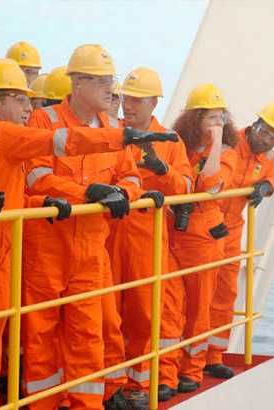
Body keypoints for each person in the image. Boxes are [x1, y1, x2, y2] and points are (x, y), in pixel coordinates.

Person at [0, 58, 177, 410]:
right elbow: (63, 141)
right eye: (19, 99)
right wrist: (123, 136)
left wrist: (41, 201)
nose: (28, 108)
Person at [23, 44, 162, 410]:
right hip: (47, 245)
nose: (110, 89)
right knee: (41, 332)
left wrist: (122, 193)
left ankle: (87, 404)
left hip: (91, 247)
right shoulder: (44, 121)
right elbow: (36, 177)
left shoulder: (114, 128)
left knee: (89, 333)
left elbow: (131, 176)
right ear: (78, 83)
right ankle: (45, 404)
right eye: (102, 81)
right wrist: (88, 193)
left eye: (109, 80)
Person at [107, 67, 193, 403]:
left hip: (147, 237)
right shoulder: (111, 132)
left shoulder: (170, 141)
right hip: (109, 233)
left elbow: (186, 188)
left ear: (154, 103)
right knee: (108, 312)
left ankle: (138, 384)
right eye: (126, 98)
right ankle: (111, 385)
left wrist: (162, 170)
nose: (128, 106)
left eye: (137, 100)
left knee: (144, 312)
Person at [205, 103, 274, 378]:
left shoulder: (267, 156)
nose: (266, 141)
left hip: (231, 231)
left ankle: (213, 356)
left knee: (224, 295)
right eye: (265, 132)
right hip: (205, 228)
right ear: (255, 125)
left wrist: (264, 187)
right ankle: (185, 361)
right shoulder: (229, 143)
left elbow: (270, 179)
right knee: (197, 294)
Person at [166, 83, 238, 394]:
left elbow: (209, 183)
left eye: (221, 117)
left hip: (203, 241)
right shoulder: (182, 147)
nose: (217, 123)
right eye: (211, 118)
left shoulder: (226, 154)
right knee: (172, 307)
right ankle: (169, 367)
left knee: (198, 309)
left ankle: (192, 370)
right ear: (195, 119)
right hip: (175, 235)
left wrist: (218, 141)